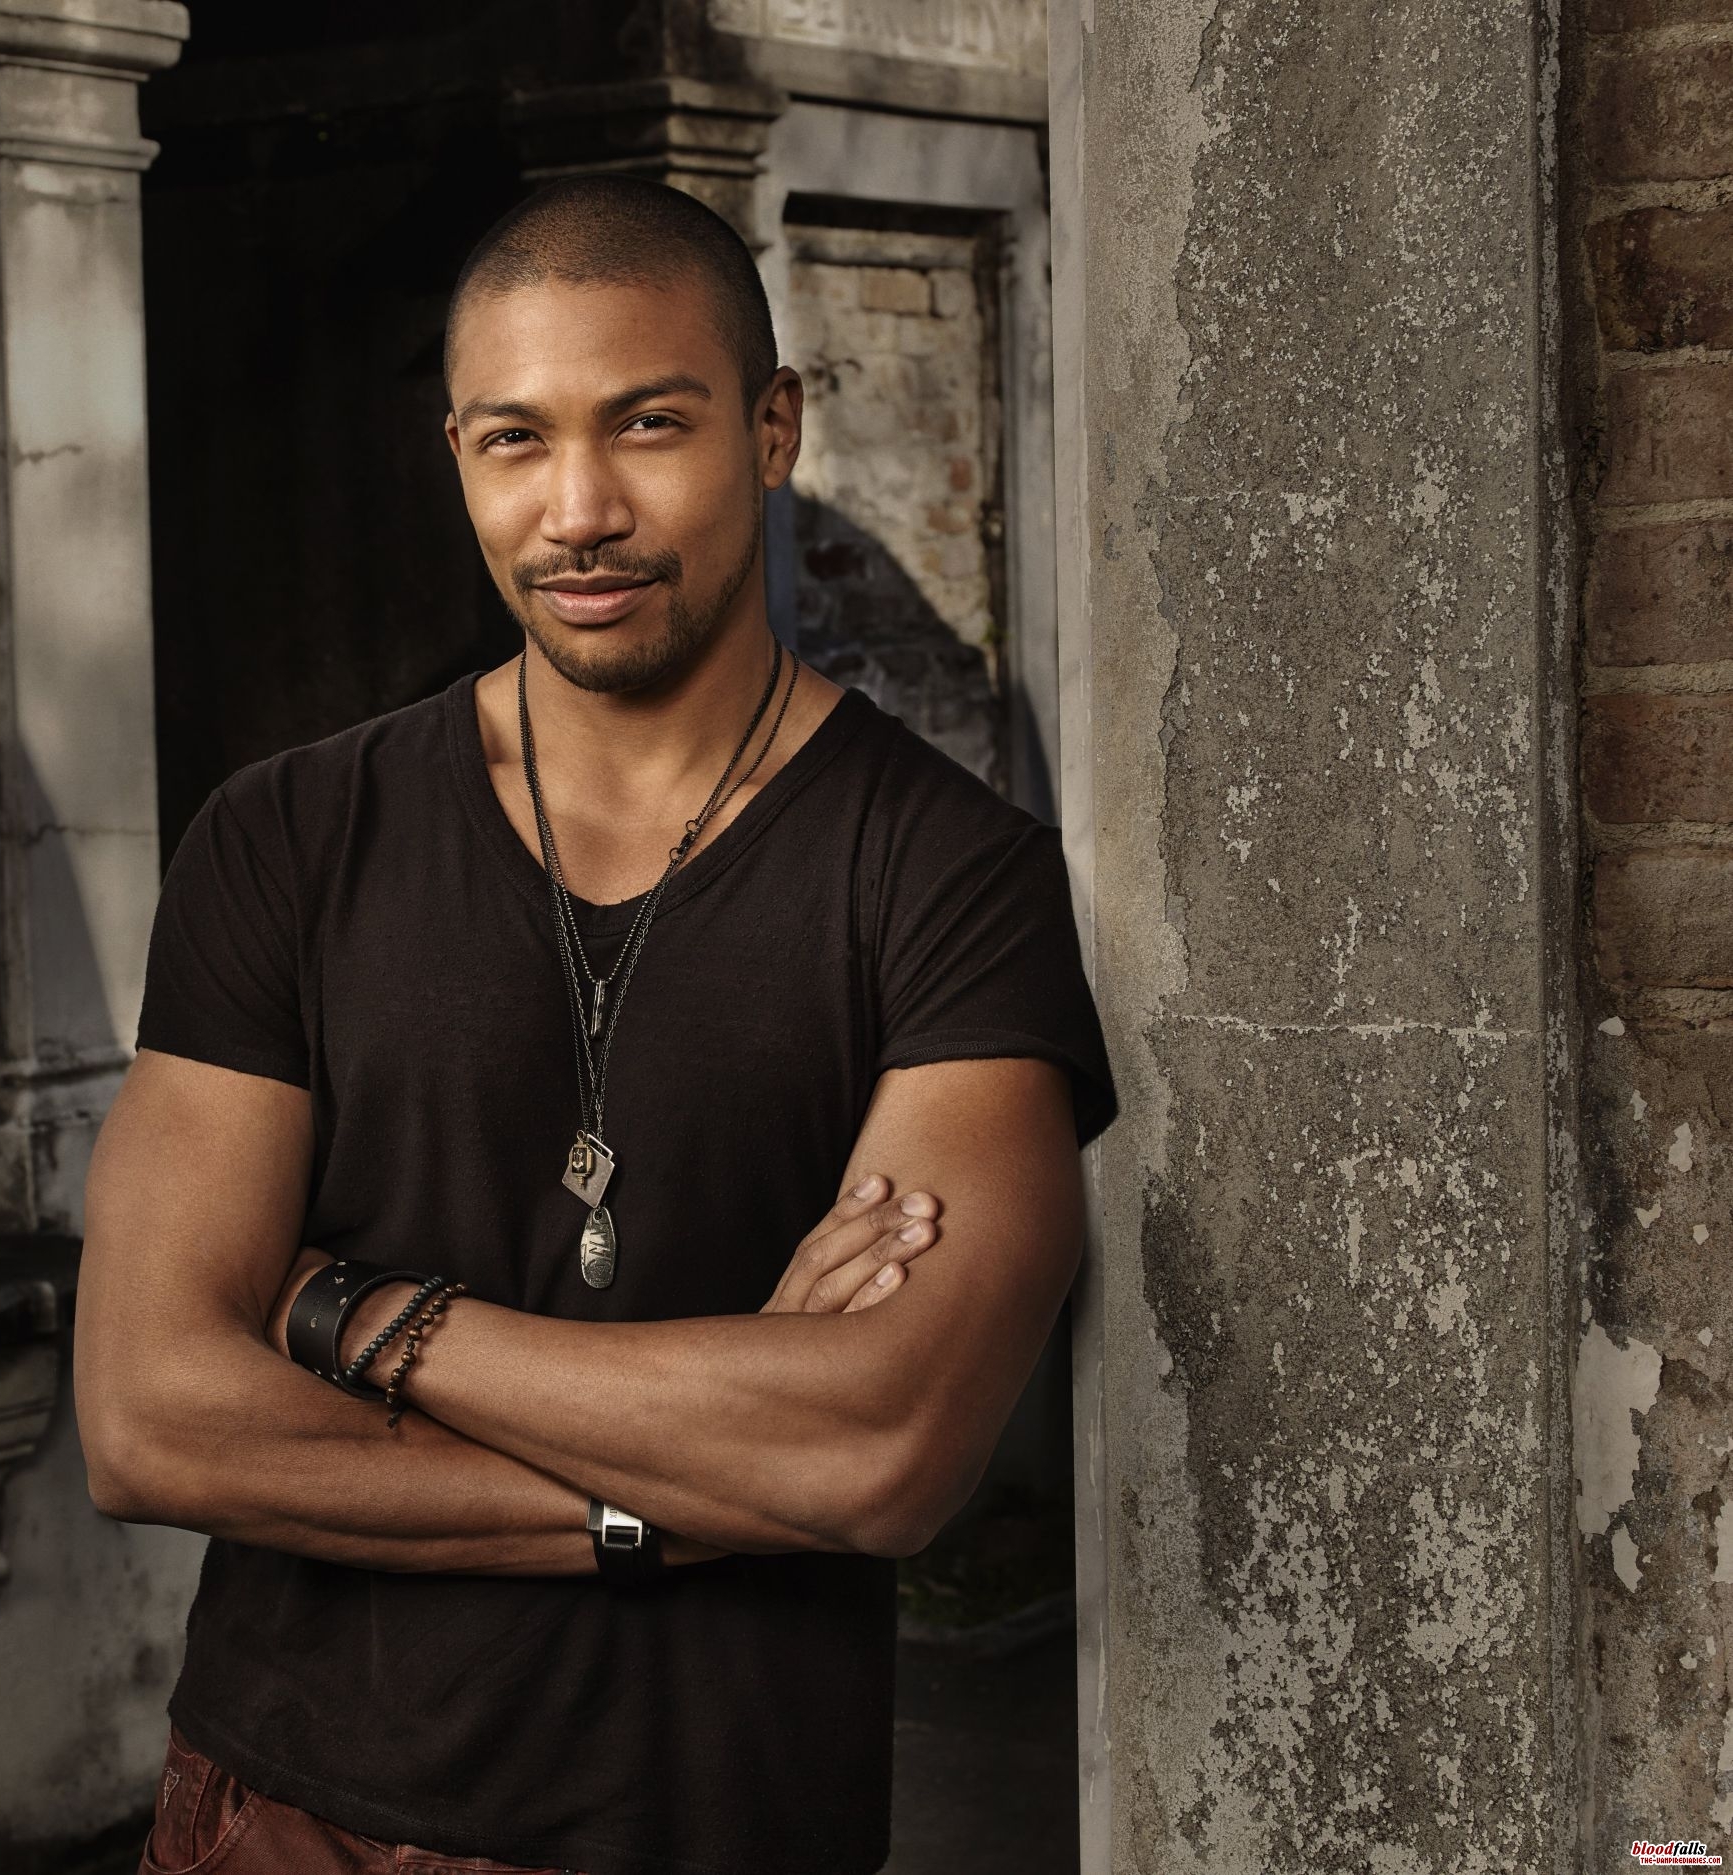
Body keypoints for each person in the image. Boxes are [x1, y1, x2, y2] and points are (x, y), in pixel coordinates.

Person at [73, 173, 1117, 1875]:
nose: (578, 511)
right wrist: (690, 1496)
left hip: (712, 1830)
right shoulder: (285, 838)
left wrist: (351, 1312)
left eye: (648, 424)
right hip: (283, 1818)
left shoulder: (951, 876)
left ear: (771, 429)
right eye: (515, 440)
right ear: (457, 456)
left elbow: (882, 1445)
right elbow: (151, 1414)